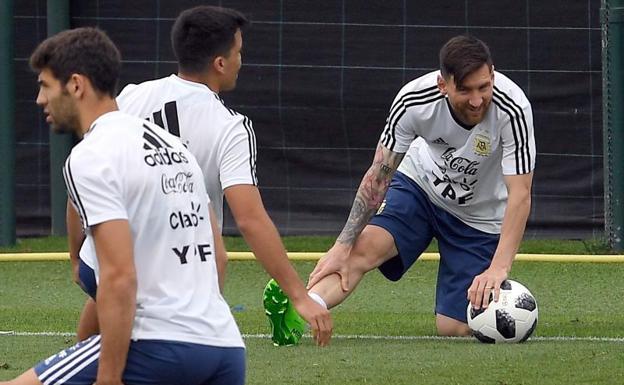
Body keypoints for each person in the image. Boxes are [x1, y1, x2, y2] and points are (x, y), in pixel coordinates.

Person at [70, 5, 332, 347]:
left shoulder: (131, 96)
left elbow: (85, 179)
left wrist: (78, 256)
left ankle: (75, 362)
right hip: (172, 280)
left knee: (110, 302)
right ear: (220, 63)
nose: (242, 60)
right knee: (183, 356)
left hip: (100, 264)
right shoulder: (230, 127)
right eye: (238, 52)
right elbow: (250, 219)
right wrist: (299, 295)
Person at [4, 27, 246, 385]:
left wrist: (109, 377)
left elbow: (119, 277)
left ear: (75, 85)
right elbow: (219, 257)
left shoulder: (92, 154)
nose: (40, 99)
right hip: (224, 347)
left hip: (156, 344)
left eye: (45, 85)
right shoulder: (176, 147)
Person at [266, 35, 535, 339]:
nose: (476, 100)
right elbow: (378, 176)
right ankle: (298, 313)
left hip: (479, 218)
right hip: (419, 187)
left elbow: (520, 194)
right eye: (465, 90)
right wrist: (342, 245)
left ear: (493, 74)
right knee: (363, 248)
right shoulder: (413, 101)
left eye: (483, 87)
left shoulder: (513, 108)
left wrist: (498, 268)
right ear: (442, 85)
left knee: (454, 326)